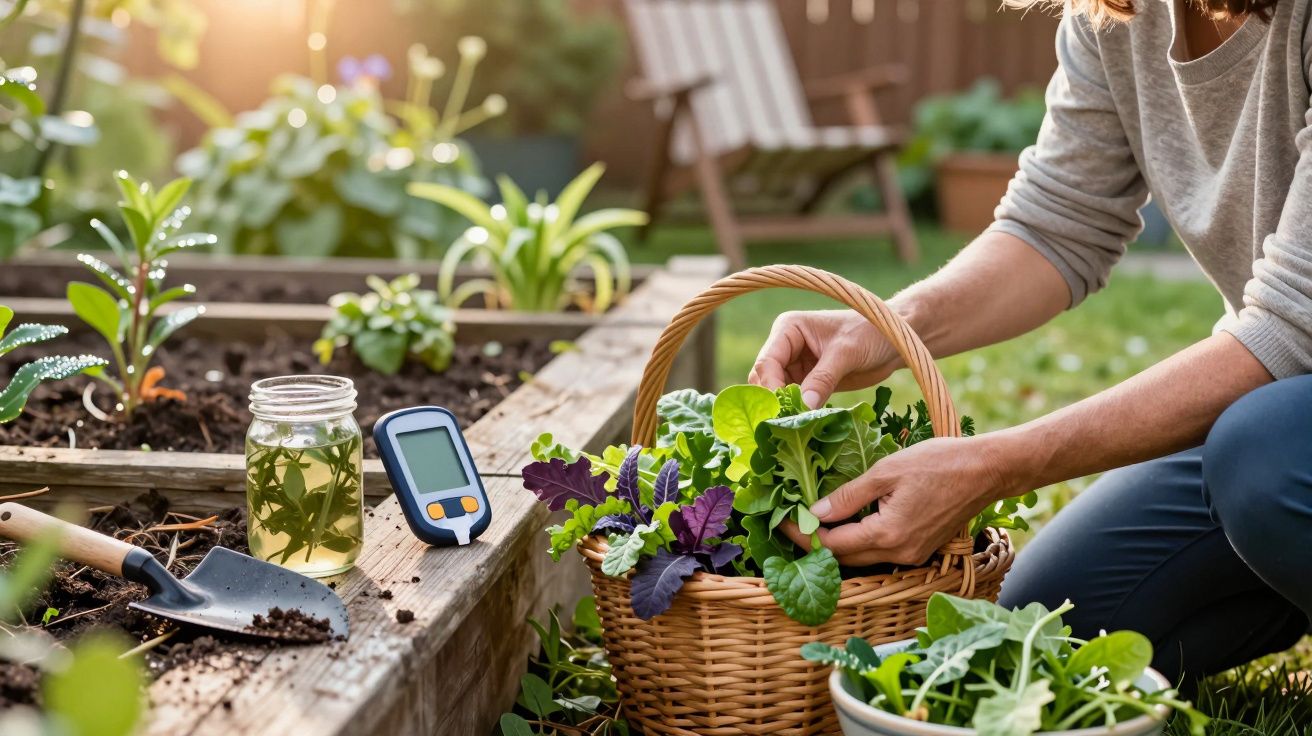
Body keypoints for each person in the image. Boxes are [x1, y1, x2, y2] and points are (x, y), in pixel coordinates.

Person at [749, 0, 1312, 684]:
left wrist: (993, 465)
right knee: (1038, 632)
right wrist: (888, 326)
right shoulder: (1118, 13)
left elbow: (1292, 327)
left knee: (1261, 461)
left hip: (1278, 437)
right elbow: (1057, 222)